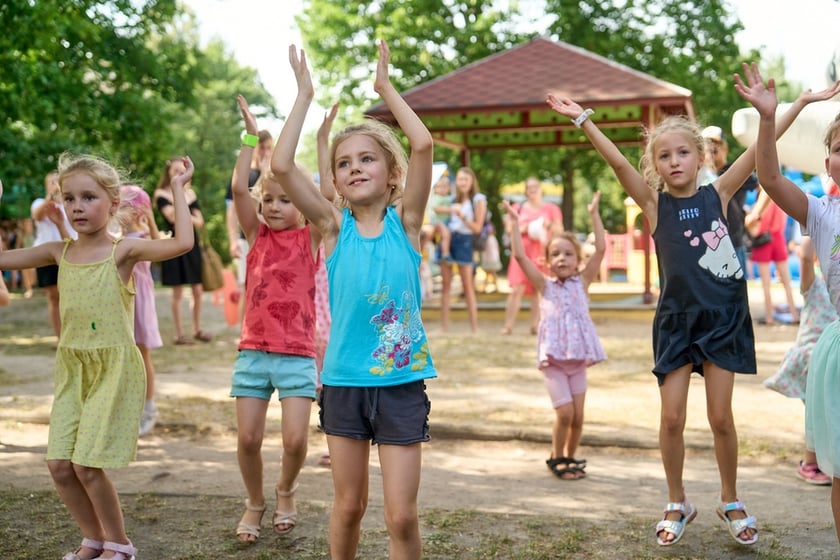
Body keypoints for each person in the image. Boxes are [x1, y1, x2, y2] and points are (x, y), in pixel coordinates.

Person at [546, 71, 839, 547]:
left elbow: (766, 146)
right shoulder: (654, 205)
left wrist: (800, 103)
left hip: (723, 319)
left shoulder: (718, 193)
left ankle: (731, 499)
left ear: (700, 157)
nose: (675, 160)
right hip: (676, 323)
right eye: (664, 155)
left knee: (721, 419)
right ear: (656, 166)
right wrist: (583, 119)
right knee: (672, 419)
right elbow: (619, 165)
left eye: (683, 152)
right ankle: (677, 500)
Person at [271, 41, 437, 560]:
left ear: (392, 174)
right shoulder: (330, 228)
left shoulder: (406, 224)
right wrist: (303, 96)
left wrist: (385, 89)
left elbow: (425, 145)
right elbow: (280, 166)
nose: (354, 167)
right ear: (337, 181)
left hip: (401, 384)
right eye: (344, 163)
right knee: (348, 507)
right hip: (343, 384)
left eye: (368, 159)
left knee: (402, 515)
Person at [0, 152, 195, 560]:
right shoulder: (58, 251)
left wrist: (176, 188)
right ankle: (93, 539)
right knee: (58, 465)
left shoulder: (124, 252)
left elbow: (182, 242)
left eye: (88, 197)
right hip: (73, 369)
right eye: (69, 199)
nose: (77, 207)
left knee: (87, 466)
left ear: (113, 202)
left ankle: (120, 545)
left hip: (112, 368)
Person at [736, 62, 840, 542]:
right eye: (838, 148)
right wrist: (767, 118)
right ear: (828, 165)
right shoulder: (821, 212)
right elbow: (770, 178)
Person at [229, 95, 320, 543]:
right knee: (247, 439)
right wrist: (249, 135)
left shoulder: (312, 238)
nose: (275, 206)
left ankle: (286, 489)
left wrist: (320, 140)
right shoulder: (256, 234)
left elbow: (329, 198)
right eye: (269, 198)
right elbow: (236, 190)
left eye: (286, 199)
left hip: (298, 354)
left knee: (295, 442)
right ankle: (255, 501)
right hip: (253, 352)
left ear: (303, 206)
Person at [504, 192, 606, 480]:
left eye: (568, 254)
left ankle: (570, 457)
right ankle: (557, 456)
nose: (562, 258)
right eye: (555, 254)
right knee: (564, 414)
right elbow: (520, 256)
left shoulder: (582, 281)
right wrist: (514, 224)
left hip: (577, 362)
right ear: (547, 262)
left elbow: (600, 250)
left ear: (577, 260)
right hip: (554, 363)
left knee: (578, 417)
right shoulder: (544, 286)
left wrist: (594, 214)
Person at [763, 236, 835, 485]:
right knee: (819, 415)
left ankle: (821, 461)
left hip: (832, 361)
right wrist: (817, 225)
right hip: (811, 360)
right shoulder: (814, 284)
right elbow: (805, 256)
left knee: (828, 414)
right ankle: (810, 462)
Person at [119, 185, 163, 437]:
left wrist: (153, 221)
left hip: (140, 300)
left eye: (125, 207)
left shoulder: (145, 237)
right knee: (124, 356)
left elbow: (163, 248)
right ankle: (128, 408)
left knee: (142, 353)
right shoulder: (115, 238)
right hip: (122, 301)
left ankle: (149, 407)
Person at [154, 158, 212, 344]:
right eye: (175, 170)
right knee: (177, 291)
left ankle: (197, 328)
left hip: (192, 244)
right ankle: (179, 334)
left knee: (197, 288)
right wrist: (186, 213)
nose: (179, 173)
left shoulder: (191, 194)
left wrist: (180, 211)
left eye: (182, 170)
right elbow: (171, 218)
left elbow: (200, 221)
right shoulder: (161, 193)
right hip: (172, 243)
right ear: (169, 173)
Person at [501, 177, 563, 335]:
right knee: (516, 289)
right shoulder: (518, 207)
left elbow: (560, 230)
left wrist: (547, 224)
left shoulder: (551, 208)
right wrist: (524, 228)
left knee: (538, 289)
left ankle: (536, 326)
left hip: (540, 253)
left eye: (535, 186)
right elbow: (509, 228)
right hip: (521, 253)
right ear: (525, 191)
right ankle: (508, 325)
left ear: (541, 189)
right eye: (529, 187)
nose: (532, 190)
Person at [225, 128, 273, 322]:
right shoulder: (244, 175)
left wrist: (266, 172)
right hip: (247, 239)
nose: (266, 152)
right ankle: (245, 333)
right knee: (248, 285)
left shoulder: (275, 175)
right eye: (263, 148)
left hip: (271, 239)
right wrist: (232, 240)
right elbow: (232, 211)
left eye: (270, 148)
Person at [701, 126, 759, 274]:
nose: (711, 150)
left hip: (733, 241)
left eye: (715, 146)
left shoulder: (734, 170)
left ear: (724, 148)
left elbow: (765, 187)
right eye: (706, 146)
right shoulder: (699, 174)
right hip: (706, 244)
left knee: (735, 293)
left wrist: (755, 214)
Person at [438, 166, 485, 333]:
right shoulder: (451, 199)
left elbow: (477, 228)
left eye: (465, 179)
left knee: (467, 286)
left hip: (465, 241)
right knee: (446, 285)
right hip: (449, 239)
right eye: (459, 179)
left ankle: (474, 328)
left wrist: (462, 216)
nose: (462, 182)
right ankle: (444, 328)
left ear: (472, 181)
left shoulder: (478, 199)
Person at [31, 171, 76, 339]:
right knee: (53, 297)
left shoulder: (69, 203)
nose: (56, 184)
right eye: (53, 182)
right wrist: (50, 196)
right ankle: (60, 338)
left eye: (59, 182)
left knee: (71, 296)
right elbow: (37, 216)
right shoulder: (39, 203)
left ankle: (72, 334)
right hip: (45, 256)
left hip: (68, 253)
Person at [745, 188, 799, 325]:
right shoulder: (780, 196)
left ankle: (769, 317)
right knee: (787, 282)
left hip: (765, 240)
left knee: (766, 283)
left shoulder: (763, 199)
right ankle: (793, 314)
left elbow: (756, 226)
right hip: (778, 238)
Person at [427, 170, 453, 261]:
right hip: (437, 222)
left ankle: (441, 253)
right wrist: (451, 209)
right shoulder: (436, 197)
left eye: (445, 186)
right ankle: (445, 253)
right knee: (446, 234)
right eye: (439, 186)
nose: (442, 189)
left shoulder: (449, 198)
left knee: (445, 236)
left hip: (446, 222)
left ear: (449, 188)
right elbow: (435, 208)